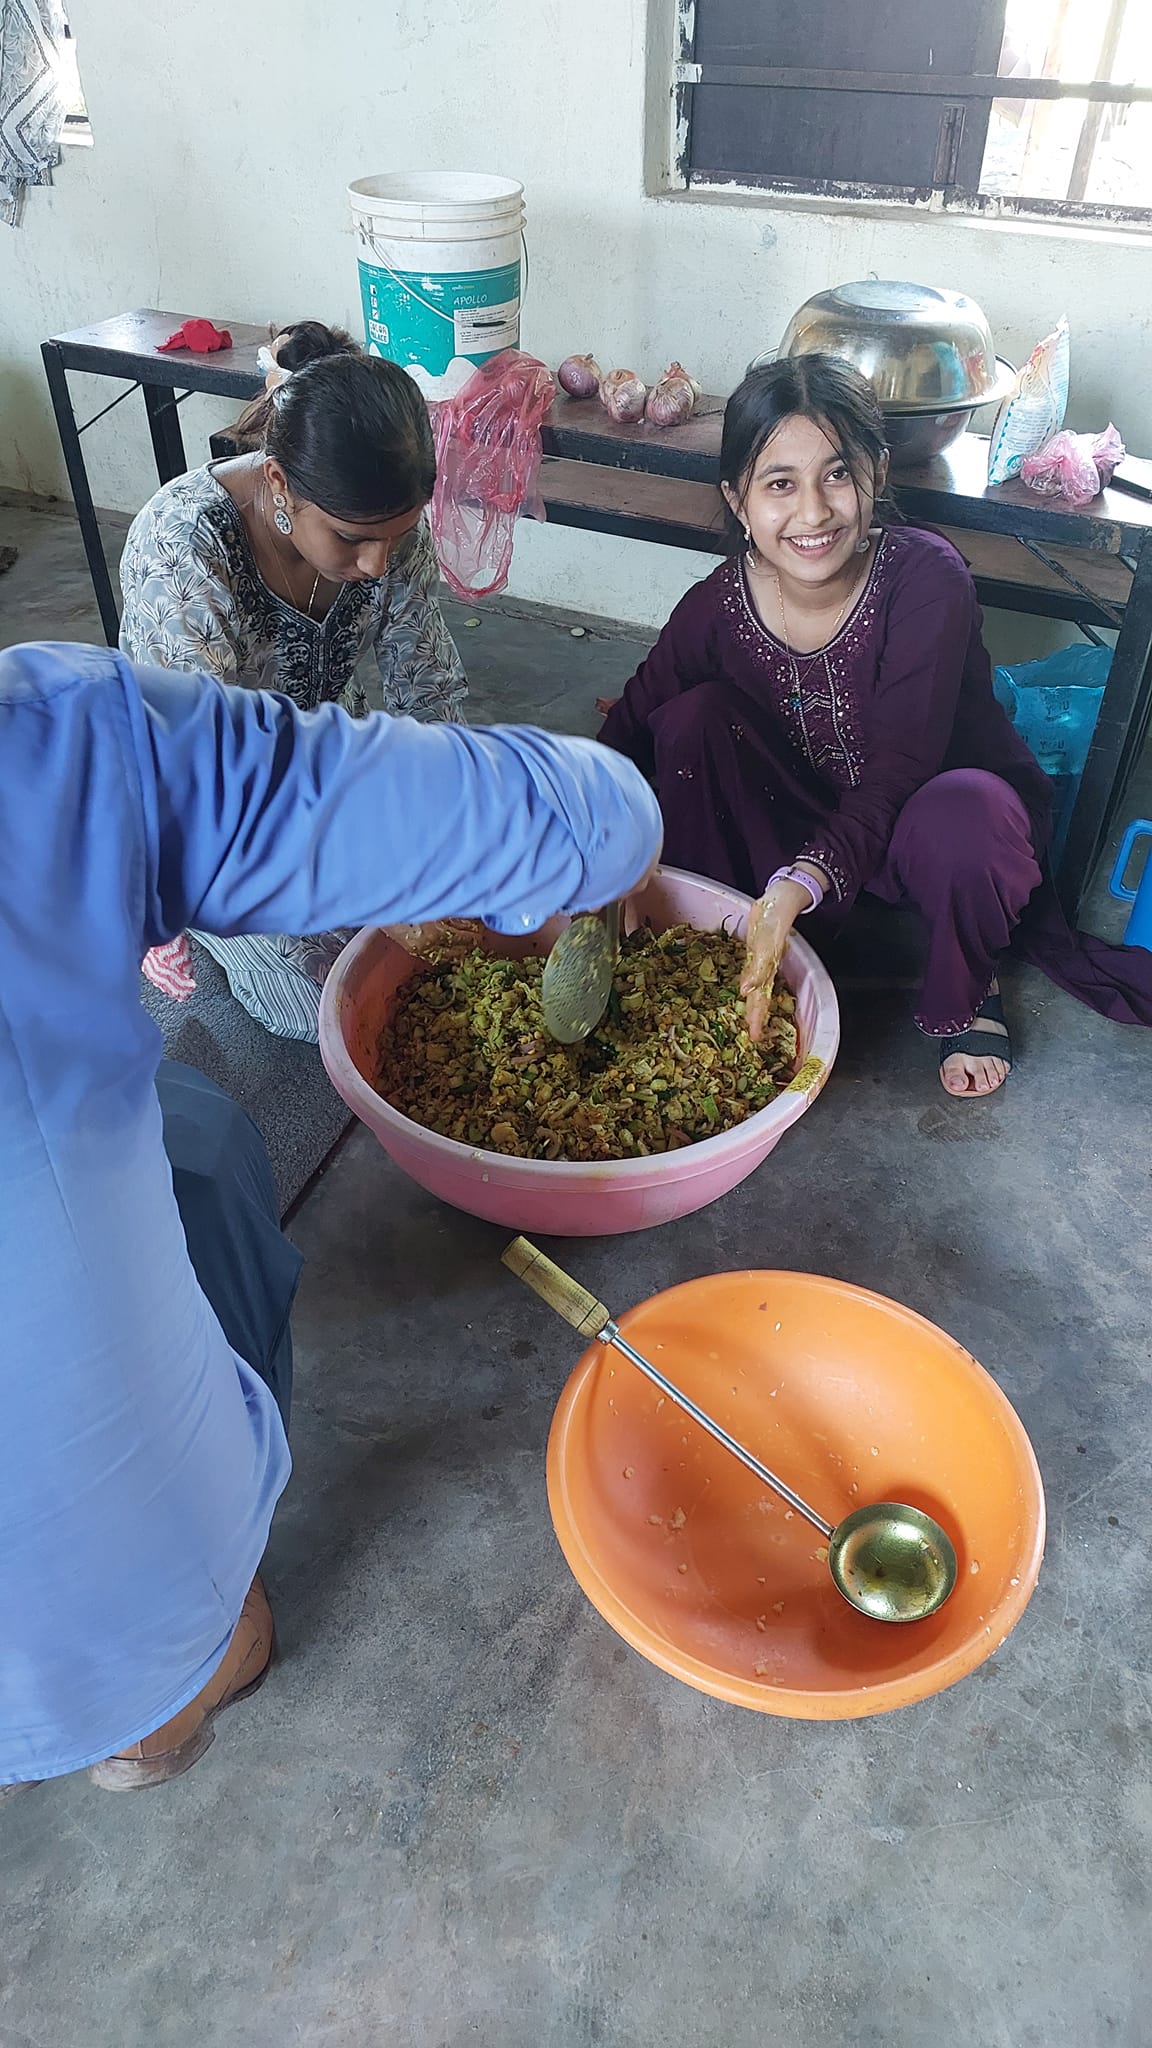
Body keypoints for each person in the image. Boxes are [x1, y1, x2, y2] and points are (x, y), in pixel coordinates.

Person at [0, 640, 662, 1790]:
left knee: (189, 1114)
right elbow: (574, 818)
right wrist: (604, 839)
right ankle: (176, 1692)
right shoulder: (56, 738)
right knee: (203, 1158)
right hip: (109, 1599)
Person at [601, 355, 1152, 1095]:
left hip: (914, 823)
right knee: (692, 722)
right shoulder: (717, 606)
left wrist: (802, 879)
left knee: (973, 816)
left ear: (878, 472)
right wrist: (589, 852)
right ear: (738, 500)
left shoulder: (925, 580)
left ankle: (968, 980)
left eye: (837, 474)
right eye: (779, 484)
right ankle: (726, 939)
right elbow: (627, 729)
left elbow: (898, 772)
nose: (814, 513)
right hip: (794, 824)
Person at [120, 327, 467, 1040]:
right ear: (279, 485)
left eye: (396, 538)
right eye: (352, 540)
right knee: (334, 1002)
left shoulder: (385, 528)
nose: (377, 564)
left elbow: (427, 695)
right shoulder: (184, 549)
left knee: (451, 940)